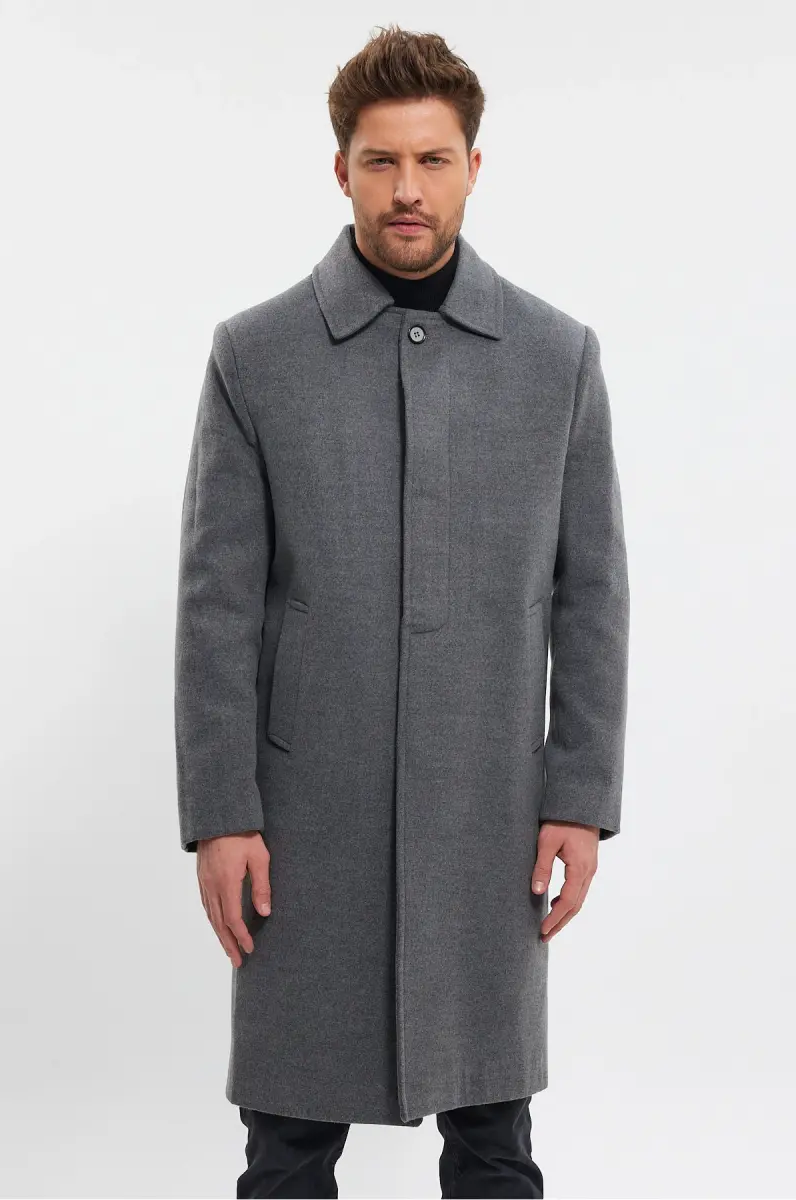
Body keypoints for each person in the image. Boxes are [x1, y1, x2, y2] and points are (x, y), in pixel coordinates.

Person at [174, 23, 630, 1200]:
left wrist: (577, 796)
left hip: (489, 810)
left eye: (432, 160)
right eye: (380, 161)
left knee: (493, 1143)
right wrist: (221, 813)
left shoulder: (555, 358)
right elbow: (217, 607)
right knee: (285, 1150)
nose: (407, 189)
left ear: (474, 166)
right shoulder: (256, 356)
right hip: (303, 820)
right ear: (341, 170)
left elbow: (591, 595)